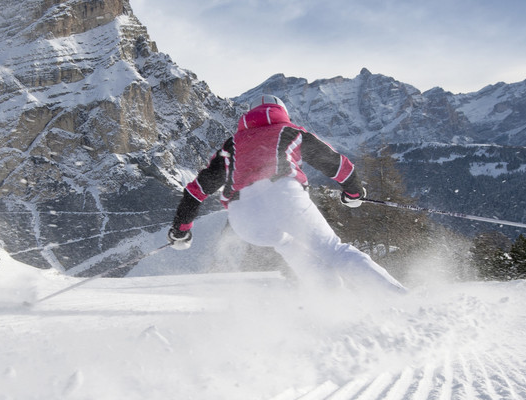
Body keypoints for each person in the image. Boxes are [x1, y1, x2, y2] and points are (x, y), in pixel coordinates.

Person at [166, 95, 406, 293]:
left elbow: (196, 191)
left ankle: (334, 307)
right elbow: (336, 164)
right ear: (282, 111)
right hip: (282, 193)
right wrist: (353, 192)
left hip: (243, 216)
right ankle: (398, 299)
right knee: (332, 249)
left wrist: (181, 231)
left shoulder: (233, 144)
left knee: (290, 246)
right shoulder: (289, 131)